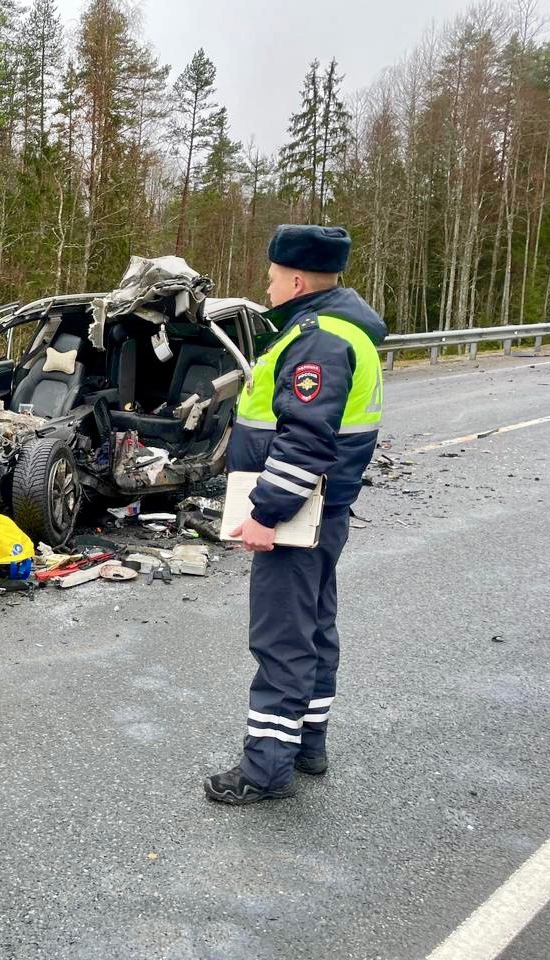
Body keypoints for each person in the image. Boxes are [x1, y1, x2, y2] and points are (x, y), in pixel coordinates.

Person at [206, 225, 387, 805]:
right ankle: (308, 744)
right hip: (324, 510)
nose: (267, 284)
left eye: (272, 275)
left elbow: (307, 440)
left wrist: (265, 512)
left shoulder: (318, 341)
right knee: (314, 628)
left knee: (282, 638)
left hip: (299, 511)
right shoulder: (341, 332)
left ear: (298, 278)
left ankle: (265, 771)